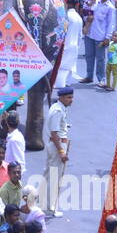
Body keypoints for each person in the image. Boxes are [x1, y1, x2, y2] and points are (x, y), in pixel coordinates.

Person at [44, 87, 74, 218]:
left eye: (71, 97)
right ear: (61, 97)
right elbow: (54, 133)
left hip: (58, 144)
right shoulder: (57, 111)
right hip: (57, 145)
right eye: (68, 97)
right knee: (54, 178)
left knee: (49, 176)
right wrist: (62, 151)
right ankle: (49, 208)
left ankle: (42, 204)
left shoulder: (59, 108)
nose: (71, 100)